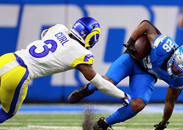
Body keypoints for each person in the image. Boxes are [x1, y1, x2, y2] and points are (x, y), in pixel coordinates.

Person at [68, 20, 183, 130]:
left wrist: (164, 123)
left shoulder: (181, 79)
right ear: (176, 55)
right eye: (176, 65)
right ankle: (88, 88)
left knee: (139, 104)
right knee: (108, 83)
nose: (176, 70)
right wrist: (131, 42)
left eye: (181, 71)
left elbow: (170, 102)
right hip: (132, 60)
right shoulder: (163, 46)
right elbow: (146, 25)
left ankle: (102, 125)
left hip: (146, 75)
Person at [0, 17, 131, 123]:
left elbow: (44, 34)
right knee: (6, 113)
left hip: (7, 59)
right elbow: (100, 84)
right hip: (19, 74)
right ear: (91, 36)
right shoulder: (80, 54)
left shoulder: (59, 28)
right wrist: (123, 95)